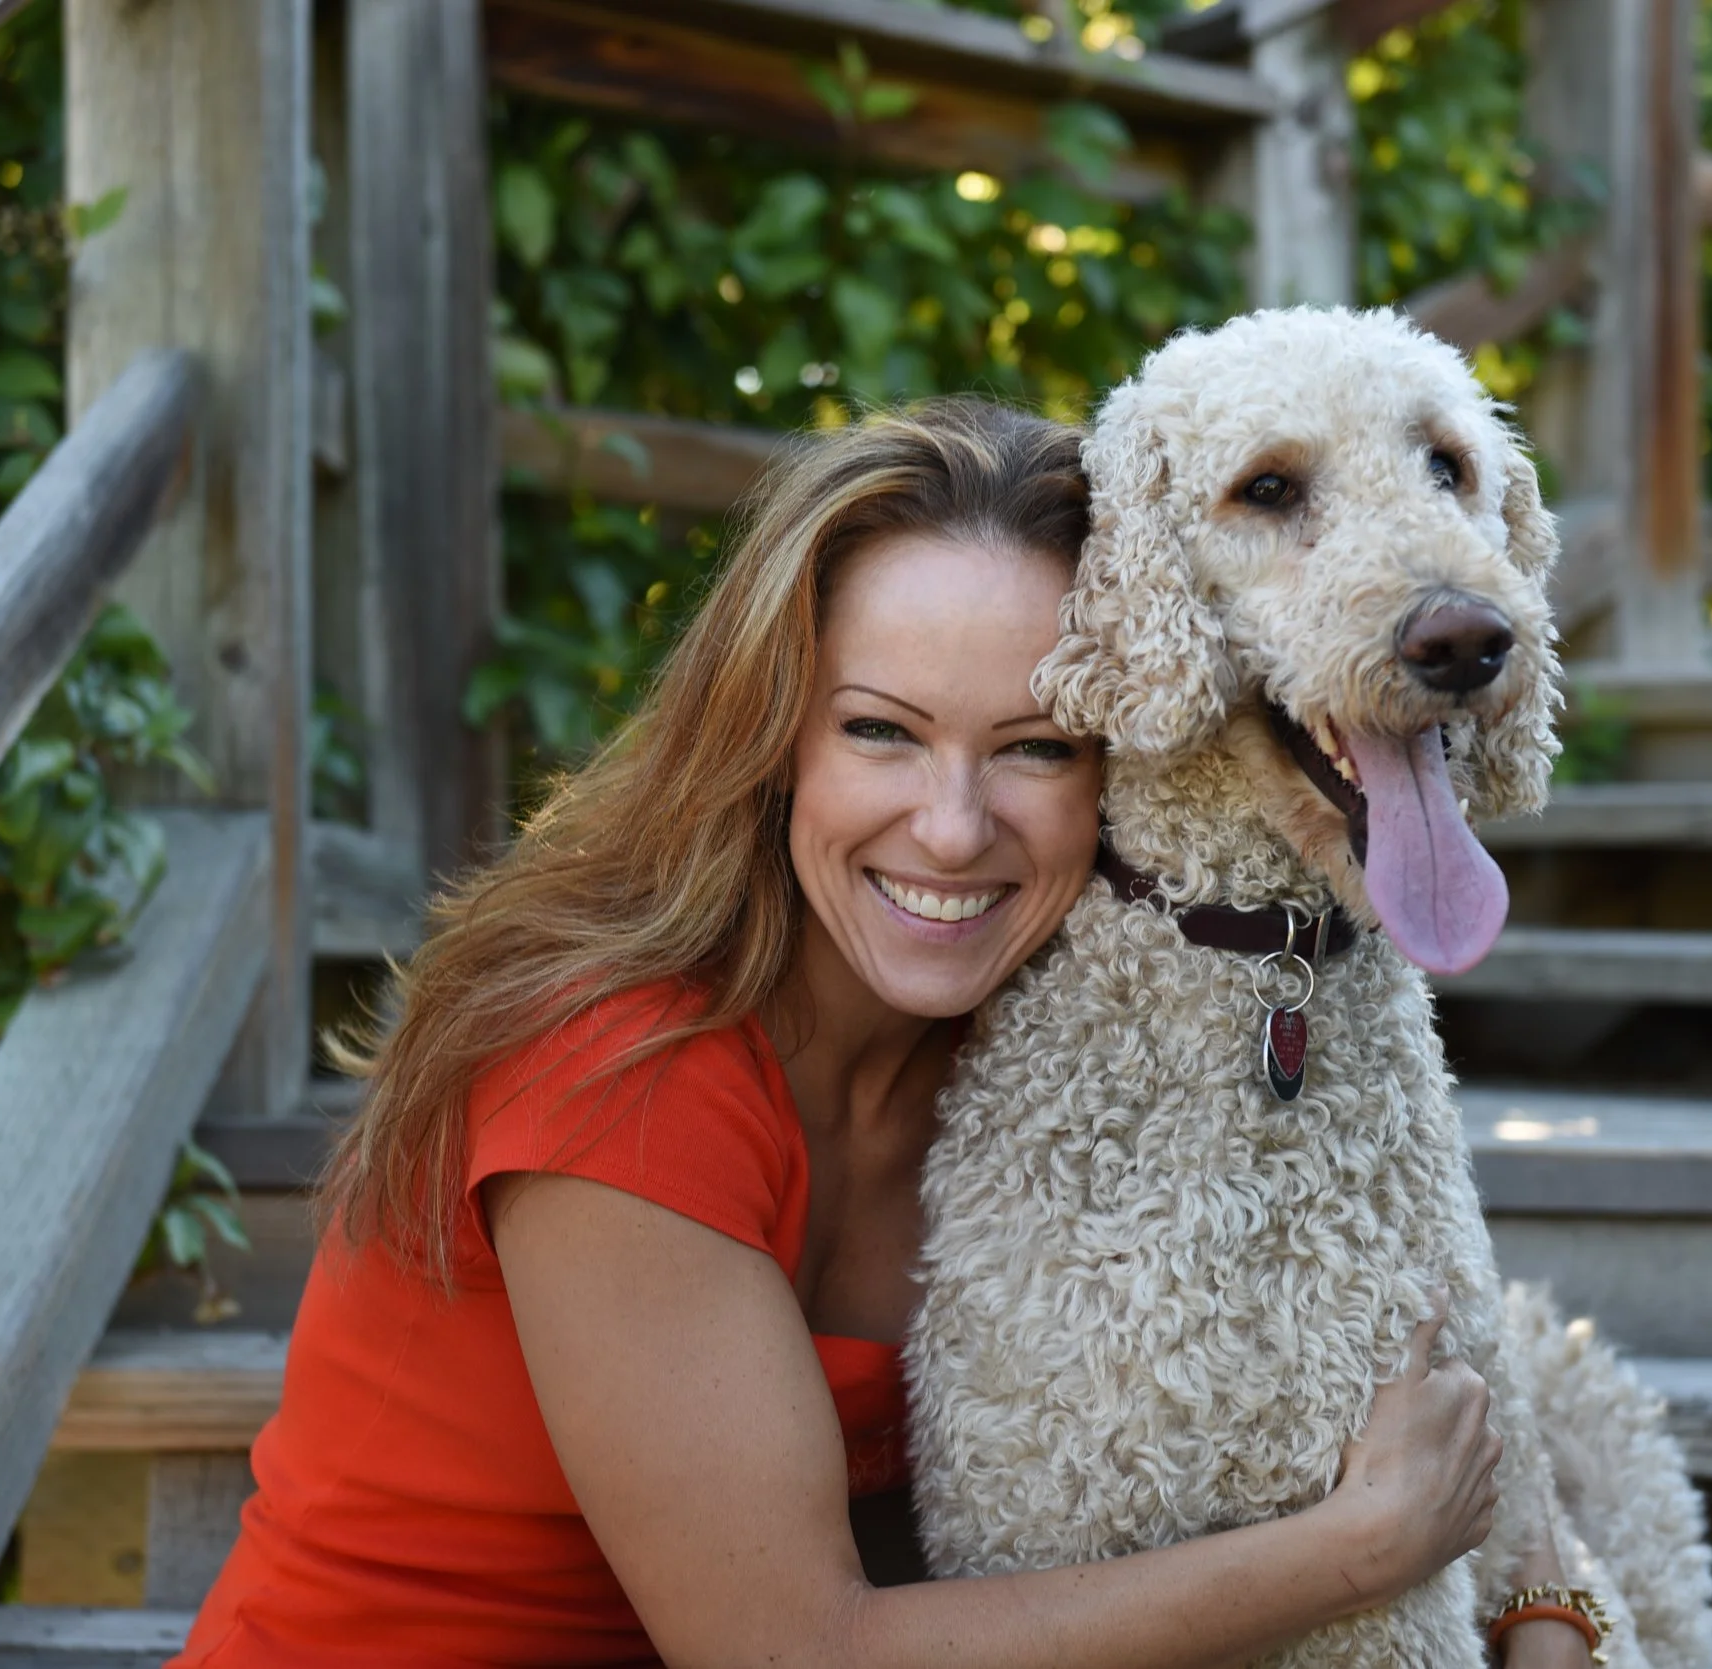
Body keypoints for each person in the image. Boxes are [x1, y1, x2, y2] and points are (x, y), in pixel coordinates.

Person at [171, 399, 1517, 1669]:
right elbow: (791, 1652)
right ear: (771, 741)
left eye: (1038, 748)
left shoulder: (1042, 1051)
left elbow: (1432, 1364)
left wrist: (1555, 1613)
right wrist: (1357, 1553)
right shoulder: (611, 1063)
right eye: (881, 731)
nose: (952, 828)